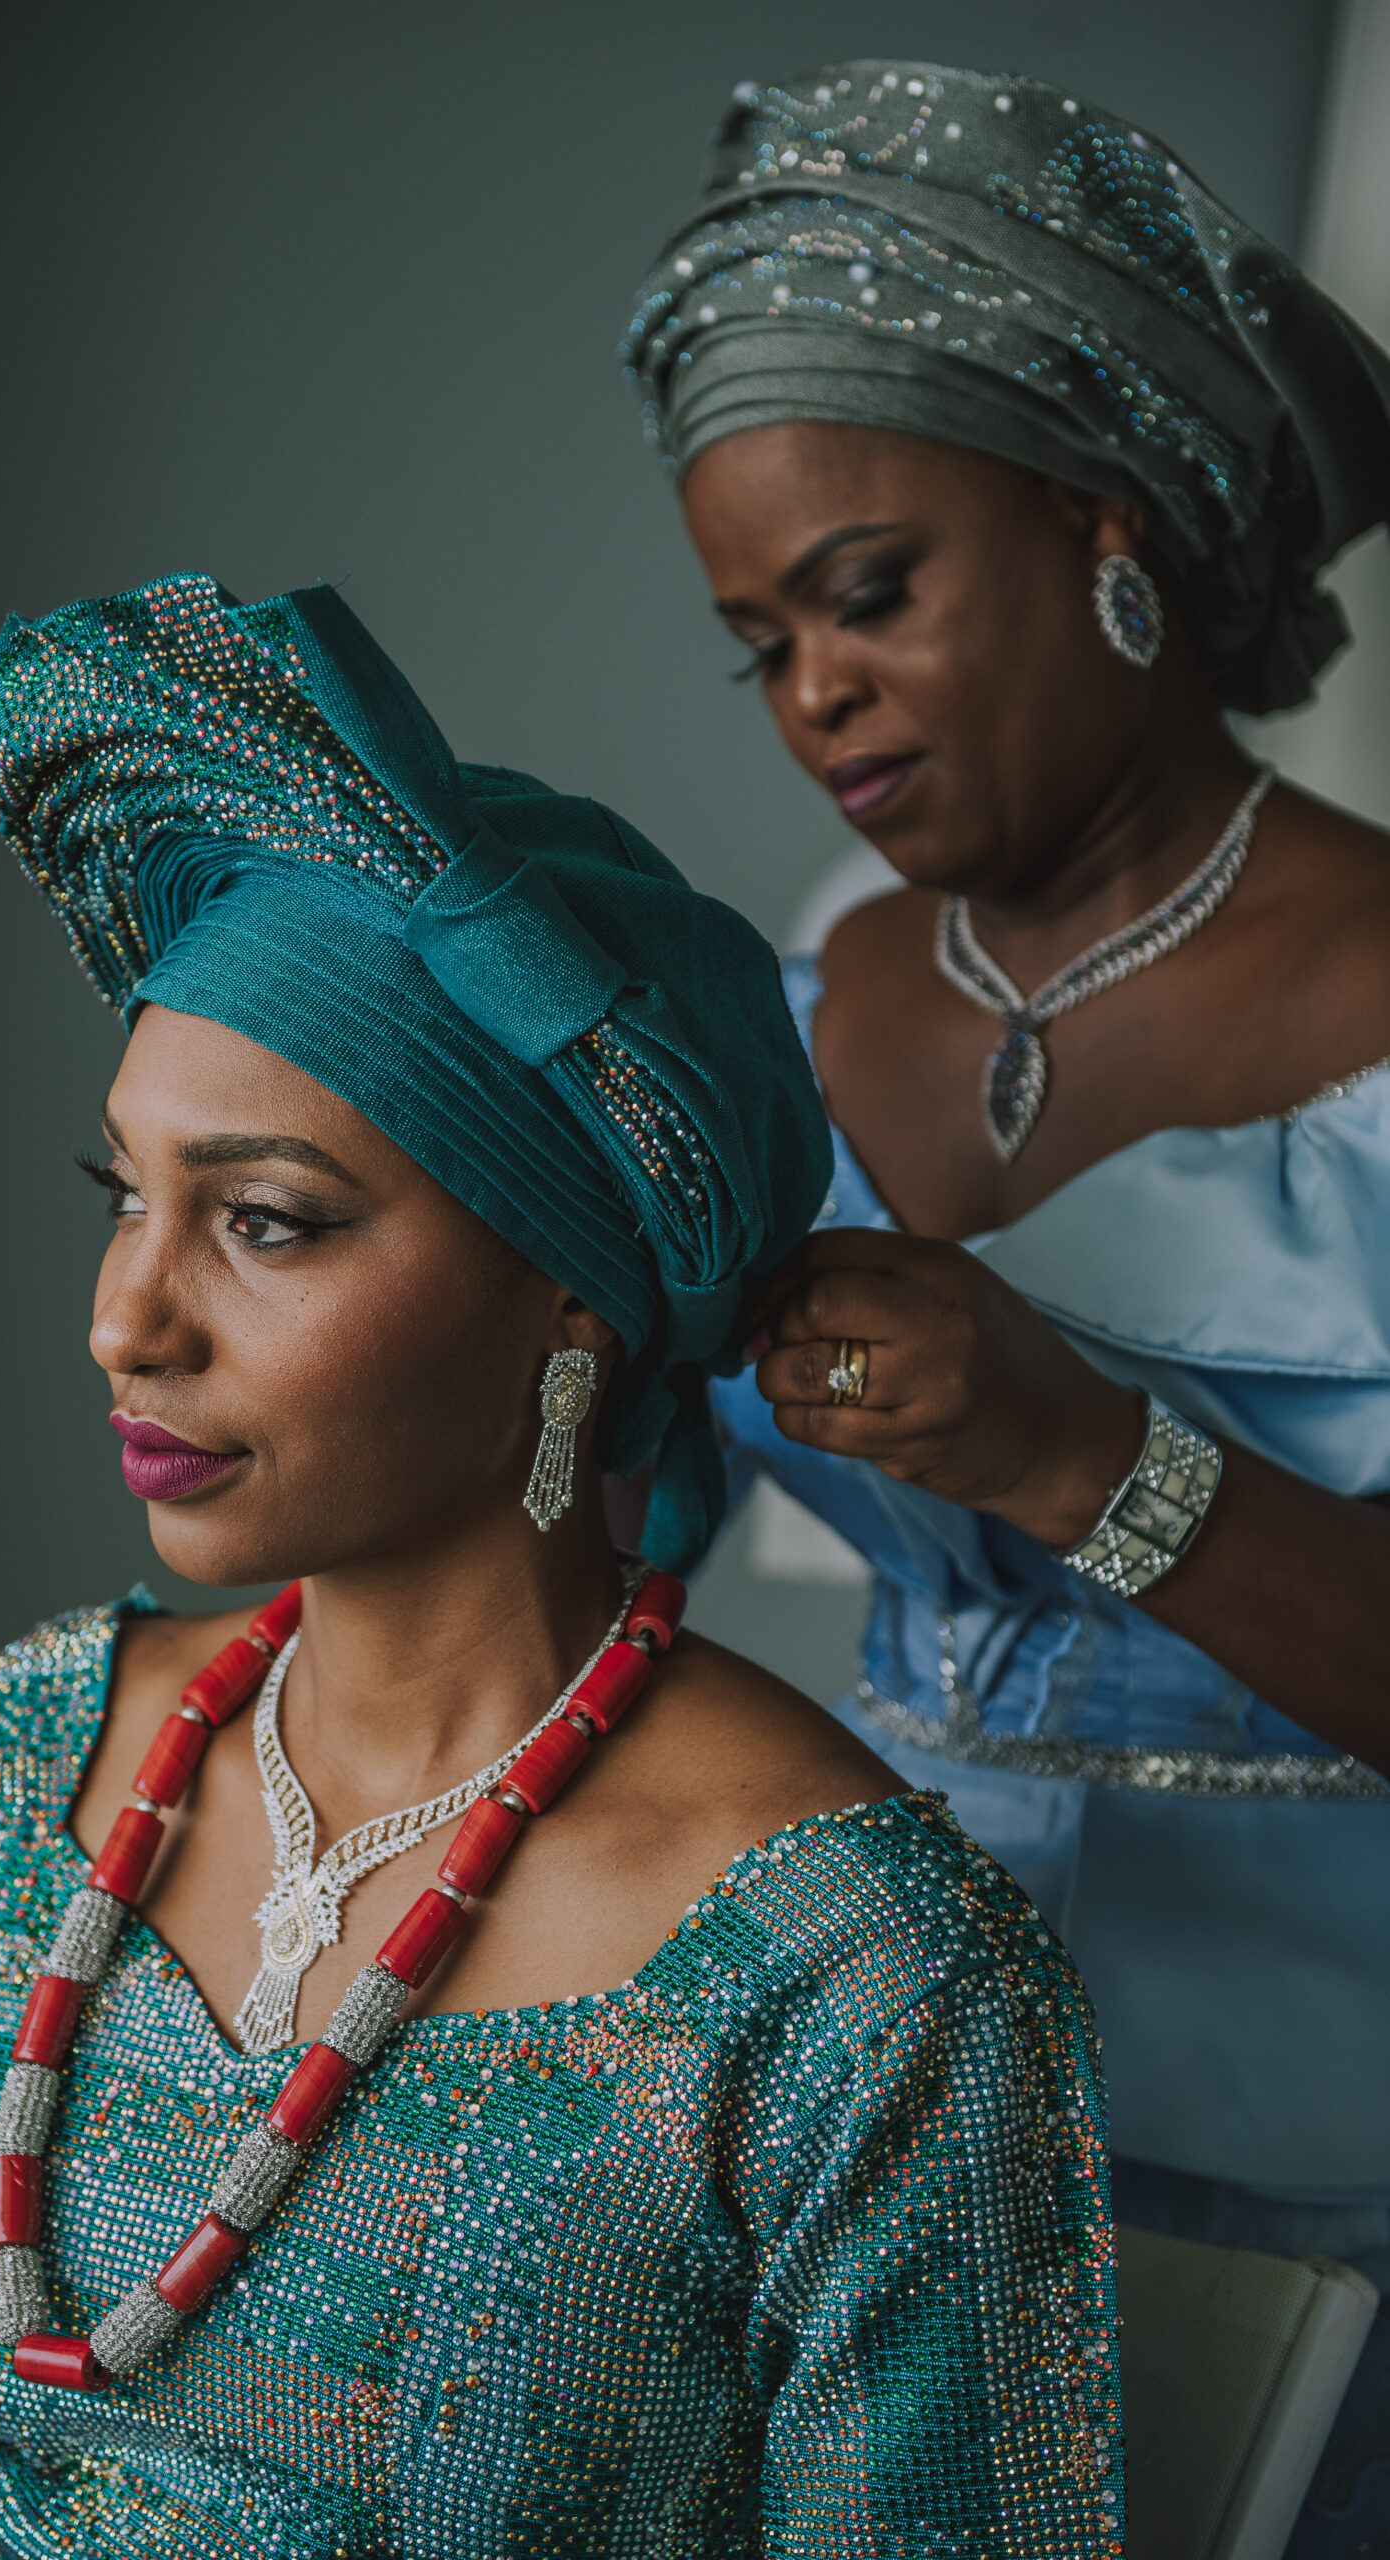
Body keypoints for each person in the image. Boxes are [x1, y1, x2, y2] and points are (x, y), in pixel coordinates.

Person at [0, 572, 1121, 2554]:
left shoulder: (866, 1981)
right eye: (124, 1191)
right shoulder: (17, 1766)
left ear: (570, 1304)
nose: (128, 1316)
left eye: (265, 1217)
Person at [622, 54, 1390, 2543]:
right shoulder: (796, 981)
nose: (813, 693)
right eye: (758, 640)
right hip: (864, 2129)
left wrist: (1081, 1449)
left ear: (1116, 530)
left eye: (870, 591)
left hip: (1340, 2166)